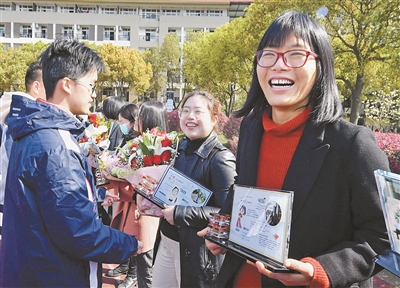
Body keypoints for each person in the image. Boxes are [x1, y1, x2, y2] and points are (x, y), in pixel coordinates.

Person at [199, 10, 390, 288]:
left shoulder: (352, 145)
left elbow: (381, 237)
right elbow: (245, 187)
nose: (279, 65)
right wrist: (226, 224)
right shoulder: (252, 129)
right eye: (269, 54)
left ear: (321, 66)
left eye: (296, 54)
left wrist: (321, 270)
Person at [0, 38, 143, 287]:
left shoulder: (36, 130)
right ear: (67, 84)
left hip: (33, 266)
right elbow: (78, 232)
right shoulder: (55, 143)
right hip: (56, 273)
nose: (94, 93)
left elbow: (49, 200)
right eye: (91, 85)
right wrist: (129, 244)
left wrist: (95, 195)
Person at [150, 91, 237, 288]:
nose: (190, 116)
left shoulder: (220, 159)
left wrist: (180, 214)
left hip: (196, 252)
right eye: (186, 111)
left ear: (214, 119)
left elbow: (227, 213)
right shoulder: (178, 149)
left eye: (198, 112)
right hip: (167, 239)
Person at [106, 100, 167, 288]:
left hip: (146, 211)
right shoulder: (139, 143)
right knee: (141, 258)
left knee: (146, 263)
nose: (136, 120)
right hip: (135, 205)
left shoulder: (160, 146)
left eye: (140, 116)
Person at [0, 61, 46, 241]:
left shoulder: (19, 114)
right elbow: (18, 166)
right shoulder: (20, 119)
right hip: (15, 202)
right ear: (36, 86)